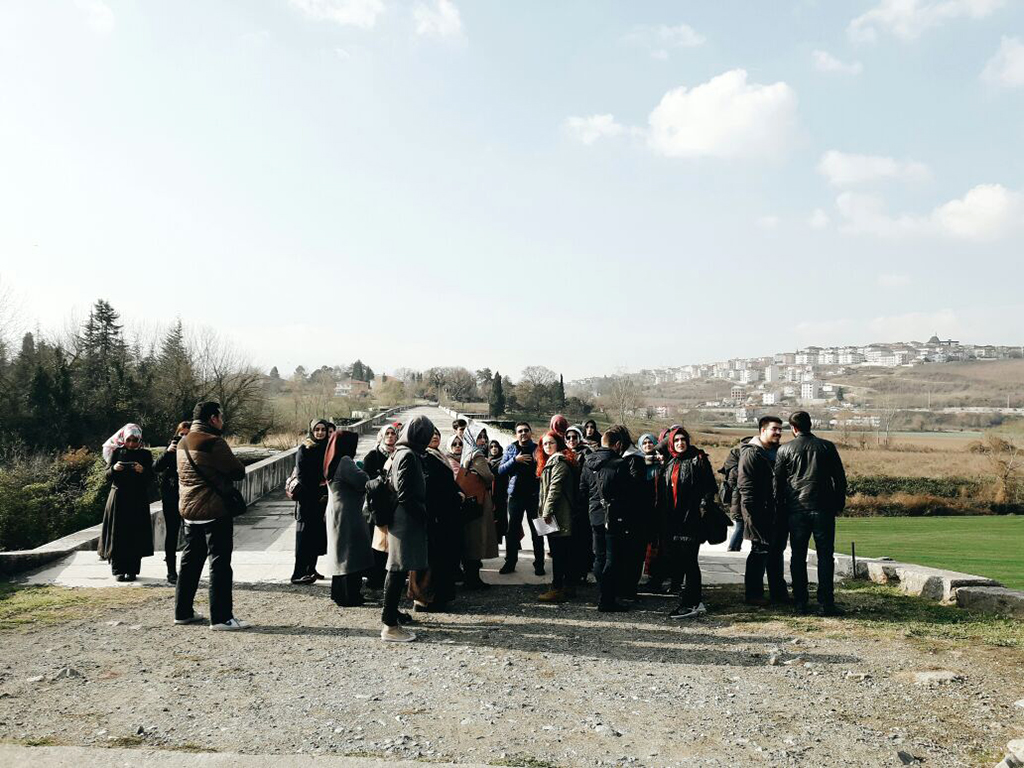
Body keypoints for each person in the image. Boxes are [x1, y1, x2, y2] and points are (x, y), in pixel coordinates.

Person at [175, 401, 248, 630]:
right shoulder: (213, 442)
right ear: (213, 418)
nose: (222, 421)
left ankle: (183, 611)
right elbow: (238, 472)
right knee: (219, 563)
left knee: (190, 562)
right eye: (221, 417)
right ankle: (221, 617)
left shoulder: (182, 442)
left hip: (188, 510)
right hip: (214, 510)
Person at [774, 411, 848, 616]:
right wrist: (838, 504)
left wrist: (781, 507)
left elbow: (778, 482)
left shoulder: (785, 449)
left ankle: (800, 602)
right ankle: (826, 603)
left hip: (797, 509)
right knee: (826, 555)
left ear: (793, 428)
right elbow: (839, 480)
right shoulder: (826, 447)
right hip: (823, 508)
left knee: (798, 556)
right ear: (810, 425)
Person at [381, 414, 433, 641]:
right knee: (397, 569)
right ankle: (390, 625)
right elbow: (405, 494)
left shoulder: (401, 452)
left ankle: (391, 618)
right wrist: (424, 516)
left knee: (397, 568)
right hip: (405, 519)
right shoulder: (408, 456)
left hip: (402, 518)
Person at [658, 427, 717, 618]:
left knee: (690, 561)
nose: (680, 443)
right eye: (676, 440)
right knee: (679, 561)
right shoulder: (670, 462)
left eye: (683, 439)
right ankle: (689, 598)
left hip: (691, 519)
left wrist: (702, 506)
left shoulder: (697, 459)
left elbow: (710, 487)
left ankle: (693, 602)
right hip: (671, 520)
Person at [580, 425, 633, 612]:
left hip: (594, 515)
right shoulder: (620, 464)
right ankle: (608, 599)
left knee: (599, 557)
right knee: (612, 558)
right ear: (617, 444)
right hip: (614, 516)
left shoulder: (588, 462)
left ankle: (602, 594)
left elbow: (583, 490)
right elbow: (627, 495)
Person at [737, 417, 789, 606]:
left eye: (780, 429)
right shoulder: (751, 454)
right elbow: (746, 486)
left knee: (776, 553)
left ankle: (778, 593)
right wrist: (752, 514)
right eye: (774, 429)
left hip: (776, 511)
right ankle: (753, 594)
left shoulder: (778, 452)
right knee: (759, 552)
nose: (778, 432)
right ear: (762, 430)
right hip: (758, 511)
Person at [323, 429, 374, 607]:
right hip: (348, 512)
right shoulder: (345, 461)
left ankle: (339, 593)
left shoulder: (332, 461)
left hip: (337, 510)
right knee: (350, 554)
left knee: (340, 553)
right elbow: (363, 480)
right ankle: (349, 595)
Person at [99, 423, 155, 582]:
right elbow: (106, 476)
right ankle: (118, 570)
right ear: (124, 439)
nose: (131, 444)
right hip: (119, 498)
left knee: (135, 534)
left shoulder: (145, 455)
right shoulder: (117, 452)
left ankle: (132, 570)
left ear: (140, 440)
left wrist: (142, 470)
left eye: (135, 440)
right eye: (129, 440)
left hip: (137, 500)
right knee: (118, 534)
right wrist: (115, 468)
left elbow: (151, 478)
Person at [420, 427, 463, 610]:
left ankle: (439, 597)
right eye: (431, 435)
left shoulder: (438, 456)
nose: (435, 437)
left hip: (445, 515)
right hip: (436, 515)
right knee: (434, 560)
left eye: (437, 434)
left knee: (442, 558)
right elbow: (433, 487)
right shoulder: (425, 457)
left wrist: (457, 492)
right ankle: (430, 599)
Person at [497, 422, 544, 576]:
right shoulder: (511, 448)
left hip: (534, 496)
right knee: (512, 531)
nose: (523, 433)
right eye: (520, 431)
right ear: (516, 434)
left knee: (538, 530)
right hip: (515, 496)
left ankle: (539, 564)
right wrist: (515, 460)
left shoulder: (538, 449)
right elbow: (501, 470)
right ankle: (510, 563)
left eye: (526, 430)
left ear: (530, 432)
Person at [535, 430, 575, 602]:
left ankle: (558, 588)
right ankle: (565, 586)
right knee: (559, 551)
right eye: (544, 444)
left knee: (559, 553)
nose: (547, 446)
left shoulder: (559, 462)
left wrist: (546, 514)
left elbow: (554, 490)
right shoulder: (550, 462)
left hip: (557, 515)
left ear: (558, 443)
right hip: (553, 513)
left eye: (551, 443)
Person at [458, 425, 499, 590]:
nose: (483, 440)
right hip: (479, 501)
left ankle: (470, 577)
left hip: (468, 501)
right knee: (477, 539)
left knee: (469, 539)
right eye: (479, 437)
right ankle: (473, 580)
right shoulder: (478, 455)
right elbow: (489, 477)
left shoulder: (465, 454)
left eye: (484, 437)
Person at [291, 419, 330, 585]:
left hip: (321, 499)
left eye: (323, 429)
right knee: (304, 538)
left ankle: (311, 569)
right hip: (308, 500)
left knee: (316, 536)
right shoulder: (304, 448)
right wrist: (319, 487)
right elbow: (302, 476)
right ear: (312, 431)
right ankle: (298, 573)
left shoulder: (327, 448)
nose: (320, 433)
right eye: (317, 430)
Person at [153, 421, 190, 584]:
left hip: (190, 496)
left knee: (192, 534)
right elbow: (156, 467)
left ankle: (188, 569)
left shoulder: (195, 449)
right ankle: (171, 570)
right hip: (171, 496)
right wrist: (168, 452)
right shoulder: (171, 450)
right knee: (172, 533)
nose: (183, 437)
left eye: (187, 434)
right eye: (181, 434)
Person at [363, 423, 398, 589]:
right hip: (378, 505)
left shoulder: (399, 454)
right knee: (378, 543)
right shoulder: (372, 455)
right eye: (387, 434)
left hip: (395, 504)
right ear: (382, 436)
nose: (390, 436)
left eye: (393, 433)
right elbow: (368, 481)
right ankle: (375, 578)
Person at [564, 425, 593, 588]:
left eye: (574, 437)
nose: (571, 441)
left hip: (582, 499)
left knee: (582, 538)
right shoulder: (563, 453)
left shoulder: (587, 453)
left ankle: (581, 573)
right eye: (568, 438)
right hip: (567, 499)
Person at [634, 433, 663, 591]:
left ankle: (655, 578)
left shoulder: (661, 462)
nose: (647, 445)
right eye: (644, 443)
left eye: (650, 442)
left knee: (656, 546)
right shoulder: (635, 462)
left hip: (657, 509)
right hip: (641, 510)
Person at [720, 436, 752, 552]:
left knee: (741, 524)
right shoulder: (738, 456)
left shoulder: (735, 455)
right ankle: (732, 547)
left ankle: (736, 547)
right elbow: (734, 479)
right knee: (740, 524)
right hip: (737, 498)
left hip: (737, 497)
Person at [487, 439, 509, 543]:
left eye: (496, 447)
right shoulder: (488, 461)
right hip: (491, 494)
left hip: (502, 493)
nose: (494, 449)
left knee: (502, 519)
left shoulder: (503, 460)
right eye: (491, 447)